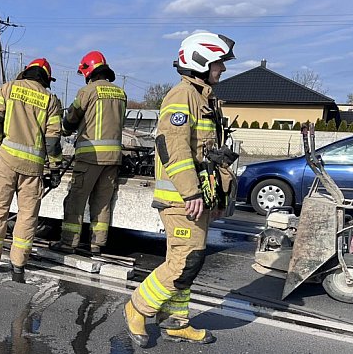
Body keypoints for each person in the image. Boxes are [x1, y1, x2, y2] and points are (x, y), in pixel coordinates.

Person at [124, 32, 238, 347]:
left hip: (197, 197)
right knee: (186, 260)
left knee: (188, 260)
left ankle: (177, 321)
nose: (222, 70)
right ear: (201, 62)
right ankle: (138, 307)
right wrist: (192, 193)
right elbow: (173, 149)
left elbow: (206, 153)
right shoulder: (181, 96)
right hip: (182, 199)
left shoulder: (203, 97)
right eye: (218, 63)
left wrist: (213, 196)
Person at [0, 58, 63, 275]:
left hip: (5, 162)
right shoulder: (50, 100)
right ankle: (19, 263)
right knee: (27, 216)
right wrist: (55, 167)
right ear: (45, 79)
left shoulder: (8, 89)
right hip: (33, 169)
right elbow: (53, 140)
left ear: (26, 72)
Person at [50, 51, 126, 256]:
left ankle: (68, 243)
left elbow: (72, 116)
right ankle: (96, 244)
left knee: (76, 200)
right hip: (113, 159)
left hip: (90, 157)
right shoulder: (121, 93)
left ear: (88, 70)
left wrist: (64, 130)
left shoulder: (87, 91)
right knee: (102, 203)